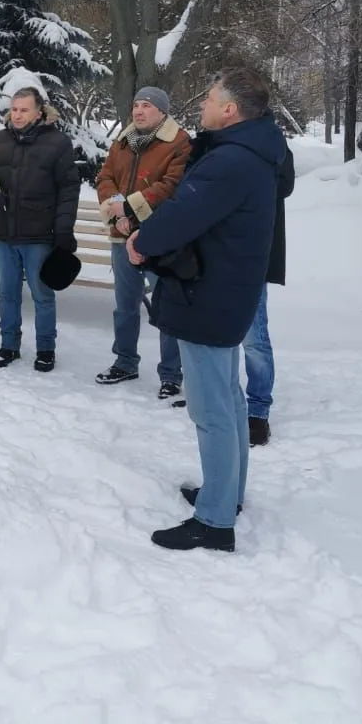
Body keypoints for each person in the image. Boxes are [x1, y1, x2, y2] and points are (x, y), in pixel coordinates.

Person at [128, 68, 286, 553]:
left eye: (211, 98)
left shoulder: (232, 161)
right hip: (225, 292)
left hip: (209, 295)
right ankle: (227, 493)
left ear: (231, 109)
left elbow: (181, 215)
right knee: (230, 403)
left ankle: (215, 520)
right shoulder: (254, 151)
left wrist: (142, 241)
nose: (203, 104)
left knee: (212, 409)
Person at [94, 86, 191, 398]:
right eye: (136, 105)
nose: (138, 111)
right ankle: (124, 362)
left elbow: (172, 186)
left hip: (158, 236)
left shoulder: (178, 142)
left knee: (165, 307)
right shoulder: (122, 140)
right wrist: (116, 209)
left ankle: (171, 374)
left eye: (147, 106)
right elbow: (105, 177)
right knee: (125, 305)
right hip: (121, 235)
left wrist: (131, 209)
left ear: (162, 112)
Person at [0, 87, 80, 373]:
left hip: (39, 234)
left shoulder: (58, 143)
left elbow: (69, 188)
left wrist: (63, 229)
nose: (18, 115)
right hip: (3, 232)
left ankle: (46, 348)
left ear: (39, 112)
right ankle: (8, 344)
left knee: (42, 294)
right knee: (7, 293)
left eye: (24, 109)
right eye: (14, 109)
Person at [244, 137, 295, 446]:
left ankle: (258, 411)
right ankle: (220, 402)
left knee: (254, 337)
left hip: (253, 256)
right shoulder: (217, 139)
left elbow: (284, 186)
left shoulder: (271, 142)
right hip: (216, 256)